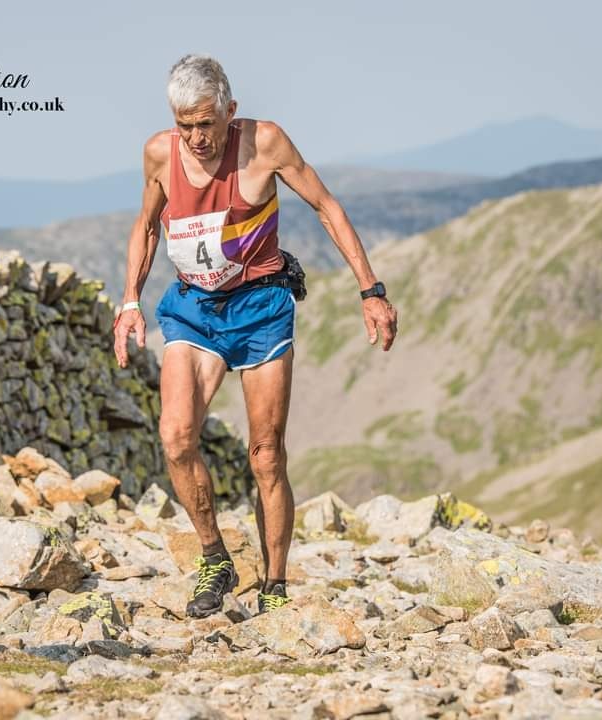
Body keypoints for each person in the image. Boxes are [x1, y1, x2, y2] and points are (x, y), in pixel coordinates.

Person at [113, 54, 397, 617]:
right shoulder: (158, 153)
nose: (196, 137)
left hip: (261, 308)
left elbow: (326, 207)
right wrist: (129, 302)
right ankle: (216, 557)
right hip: (194, 309)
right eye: (185, 124)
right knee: (176, 435)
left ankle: (274, 584)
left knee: (265, 455)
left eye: (206, 123)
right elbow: (147, 226)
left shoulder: (264, 143)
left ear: (230, 111)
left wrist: (371, 290)